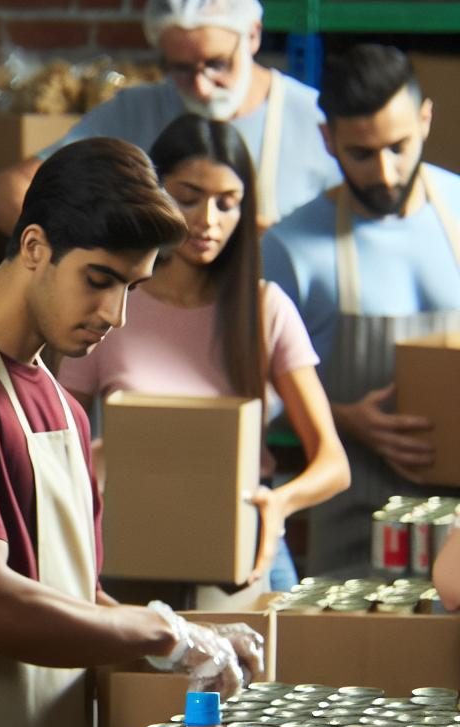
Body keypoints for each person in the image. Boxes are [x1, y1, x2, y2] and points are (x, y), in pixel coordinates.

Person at [0, 137, 265, 727]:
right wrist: (165, 631)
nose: (115, 313)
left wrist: (188, 645)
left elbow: (74, 600)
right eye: (99, 279)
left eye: (132, 287)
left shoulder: (65, 409)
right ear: (34, 247)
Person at [57, 115, 350, 591]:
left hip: (246, 544)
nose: (207, 221)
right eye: (188, 198)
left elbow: (333, 463)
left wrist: (279, 504)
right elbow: (58, 447)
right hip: (133, 545)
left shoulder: (265, 309)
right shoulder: (109, 306)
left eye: (227, 204)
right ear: (155, 194)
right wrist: (111, 458)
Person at [262, 44, 460, 573]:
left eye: (399, 146)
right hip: (354, 523)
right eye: (361, 154)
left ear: (425, 118)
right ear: (328, 140)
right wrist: (344, 419)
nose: (387, 173)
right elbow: (250, 390)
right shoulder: (291, 246)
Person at [0, 0, 340, 237]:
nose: (199, 86)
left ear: (253, 36)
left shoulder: (312, 118)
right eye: (180, 69)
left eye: (216, 64)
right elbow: (4, 192)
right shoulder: (135, 112)